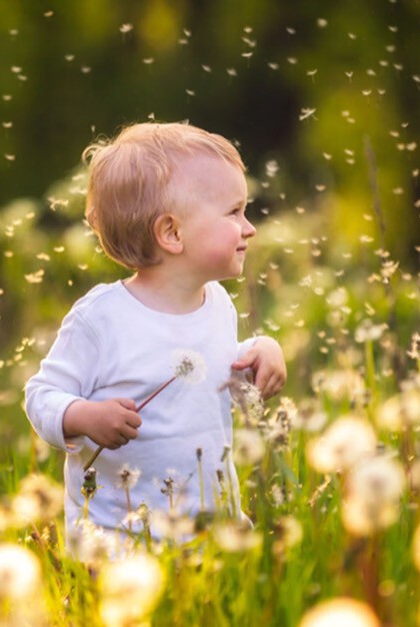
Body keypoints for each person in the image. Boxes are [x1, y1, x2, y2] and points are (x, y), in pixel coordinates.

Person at [24, 122, 287, 552]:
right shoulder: (102, 319)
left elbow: (203, 385)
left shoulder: (217, 303)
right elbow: (41, 395)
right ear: (171, 233)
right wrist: (83, 416)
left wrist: (261, 355)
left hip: (210, 534)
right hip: (119, 543)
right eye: (233, 212)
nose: (249, 227)